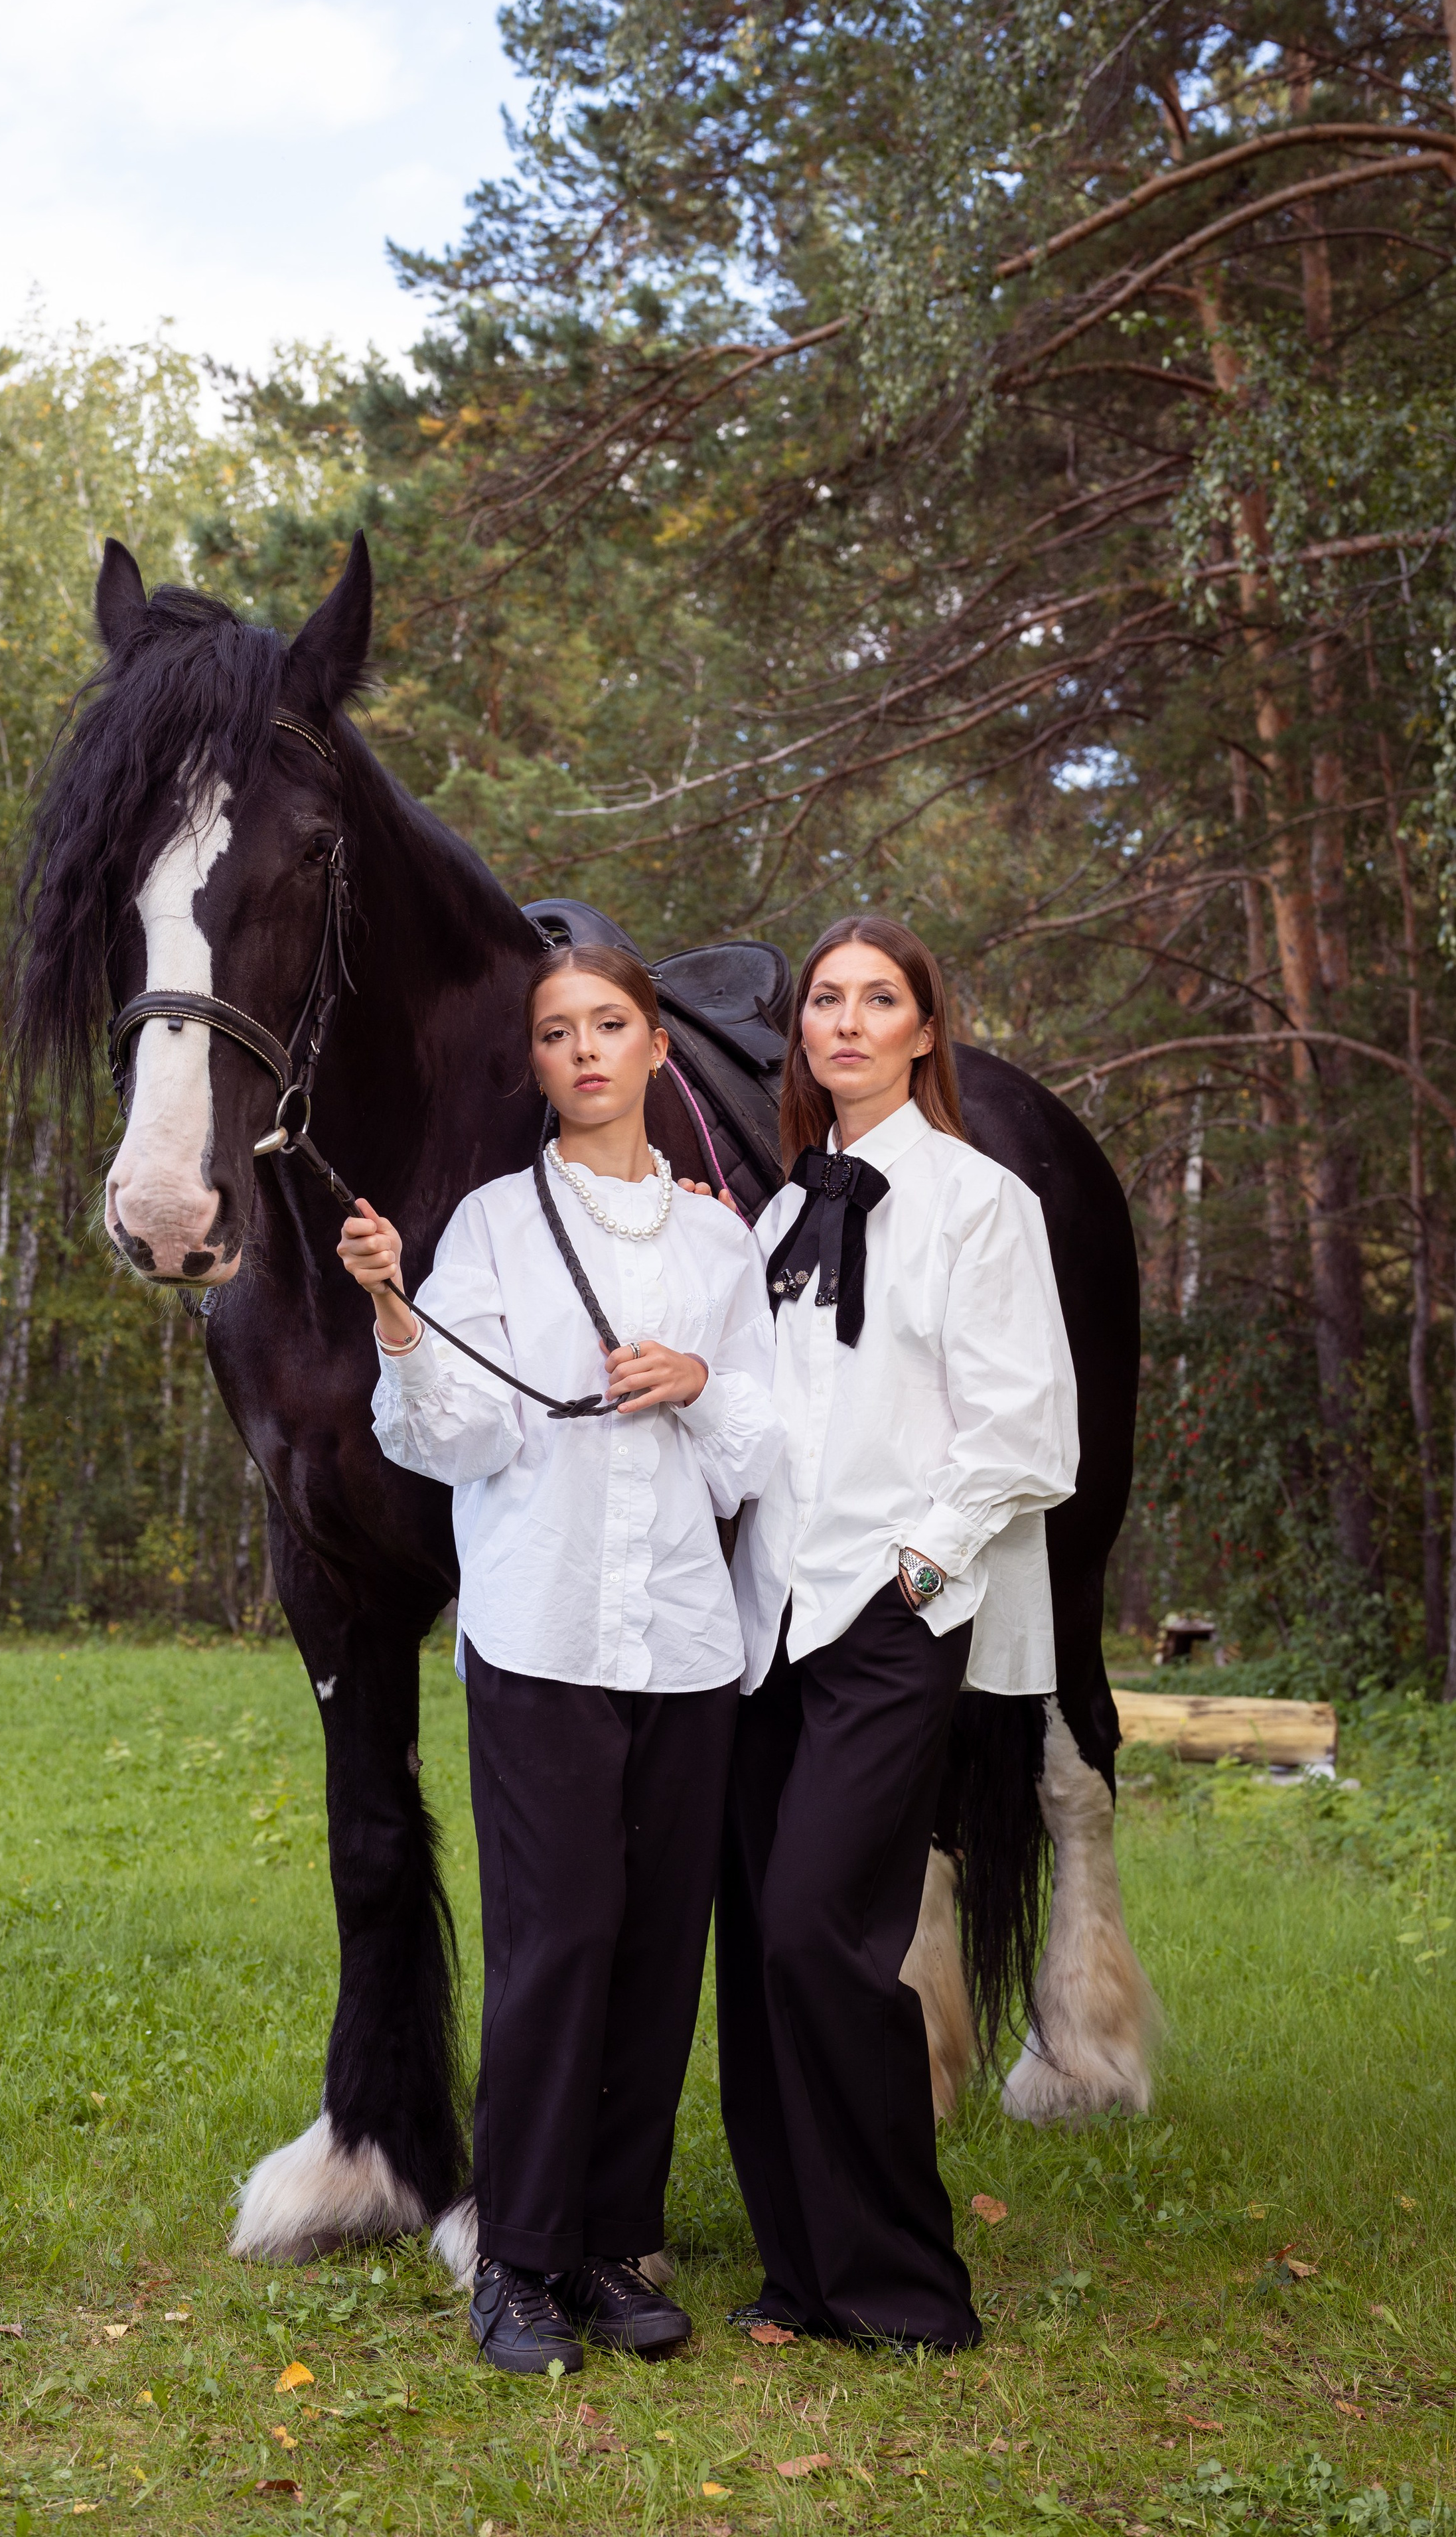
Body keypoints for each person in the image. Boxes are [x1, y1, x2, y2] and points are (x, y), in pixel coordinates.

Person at [337, 942, 781, 2376]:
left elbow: (762, 1453)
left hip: (684, 1644)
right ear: (530, 1062)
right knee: (559, 1938)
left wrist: (700, 1382)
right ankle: (514, 2259)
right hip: (538, 1634)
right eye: (553, 1031)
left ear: (657, 1047)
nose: (583, 1050)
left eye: (608, 1025)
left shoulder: (723, 1245)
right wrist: (399, 1309)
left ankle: (606, 2241)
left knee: (659, 1949)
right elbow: (452, 1435)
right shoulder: (487, 1227)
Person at [716, 915, 1079, 2352]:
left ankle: (901, 2286)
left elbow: (1023, 1431)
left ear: (925, 1028)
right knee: (756, 1944)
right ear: (797, 1030)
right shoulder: (778, 1214)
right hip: (764, 1630)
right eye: (825, 1000)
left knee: (820, 1930)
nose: (847, 1022)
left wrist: (914, 1584)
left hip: (887, 1617)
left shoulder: (978, 1202)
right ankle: (797, 2275)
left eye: (880, 1000)